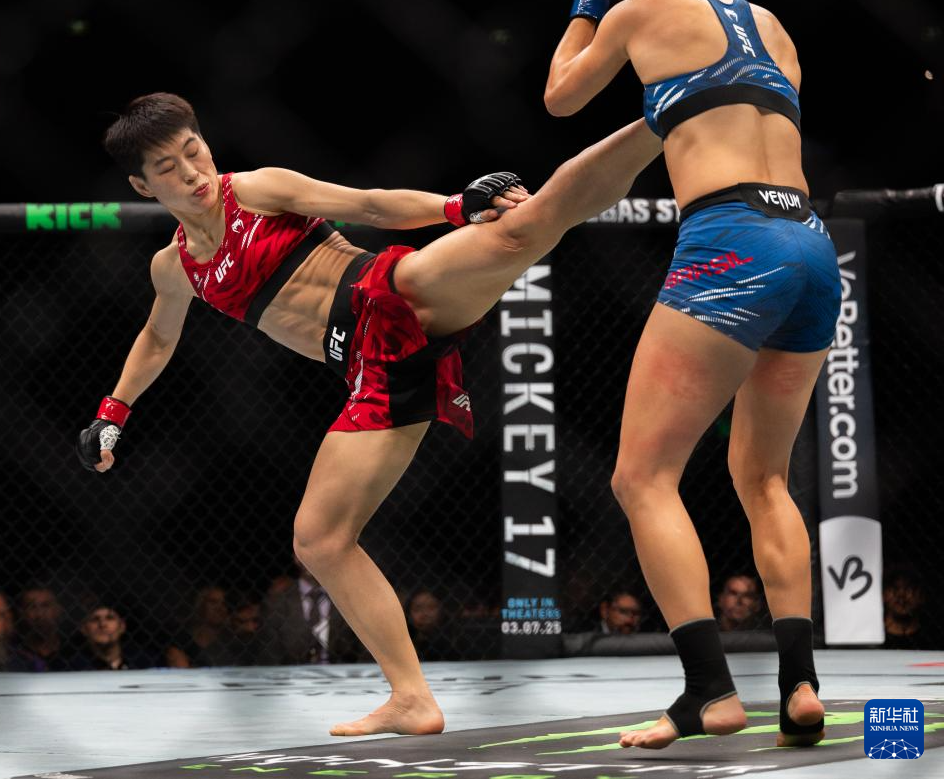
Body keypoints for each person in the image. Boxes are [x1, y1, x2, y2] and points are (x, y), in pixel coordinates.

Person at [77, 91, 662, 735]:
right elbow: (157, 337)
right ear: (143, 185)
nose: (193, 173)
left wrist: (454, 207)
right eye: (169, 167)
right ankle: (411, 697)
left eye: (195, 152)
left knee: (523, 226)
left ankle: (667, 113)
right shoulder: (175, 268)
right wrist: (113, 412)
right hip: (370, 372)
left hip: (389, 294)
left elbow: (368, 204)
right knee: (319, 539)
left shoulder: (258, 189)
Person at [545, 0, 839, 750]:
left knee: (641, 475)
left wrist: (587, 1)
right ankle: (798, 684)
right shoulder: (774, 26)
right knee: (765, 478)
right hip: (811, 243)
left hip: (731, 239)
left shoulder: (641, 9)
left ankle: (709, 690)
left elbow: (560, 95)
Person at [261, 559, 366, 665]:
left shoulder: (351, 598)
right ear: (296, 557)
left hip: (345, 671)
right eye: (307, 550)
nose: (312, 558)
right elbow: (270, 655)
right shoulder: (276, 603)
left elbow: (365, 651)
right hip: (291, 672)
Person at [68, 603, 159, 670]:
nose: (102, 624)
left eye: (109, 618)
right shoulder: (71, 667)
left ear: (122, 626)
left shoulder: (145, 662)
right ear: (84, 629)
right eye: (95, 619)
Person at [166, 585, 229, 668]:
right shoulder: (183, 639)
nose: (220, 608)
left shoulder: (229, 641)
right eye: (213, 602)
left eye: (224, 604)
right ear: (200, 605)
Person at [15, 585, 73, 671]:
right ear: (22, 613)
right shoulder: (15, 653)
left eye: (45, 606)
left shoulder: (72, 651)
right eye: (31, 607)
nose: (39, 614)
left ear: (58, 610)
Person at [882, 565, 935, 650]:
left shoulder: (934, 636)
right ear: (883, 595)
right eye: (895, 589)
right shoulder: (871, 636)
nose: (901, 596)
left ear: (921, 596)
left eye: (909, 589)